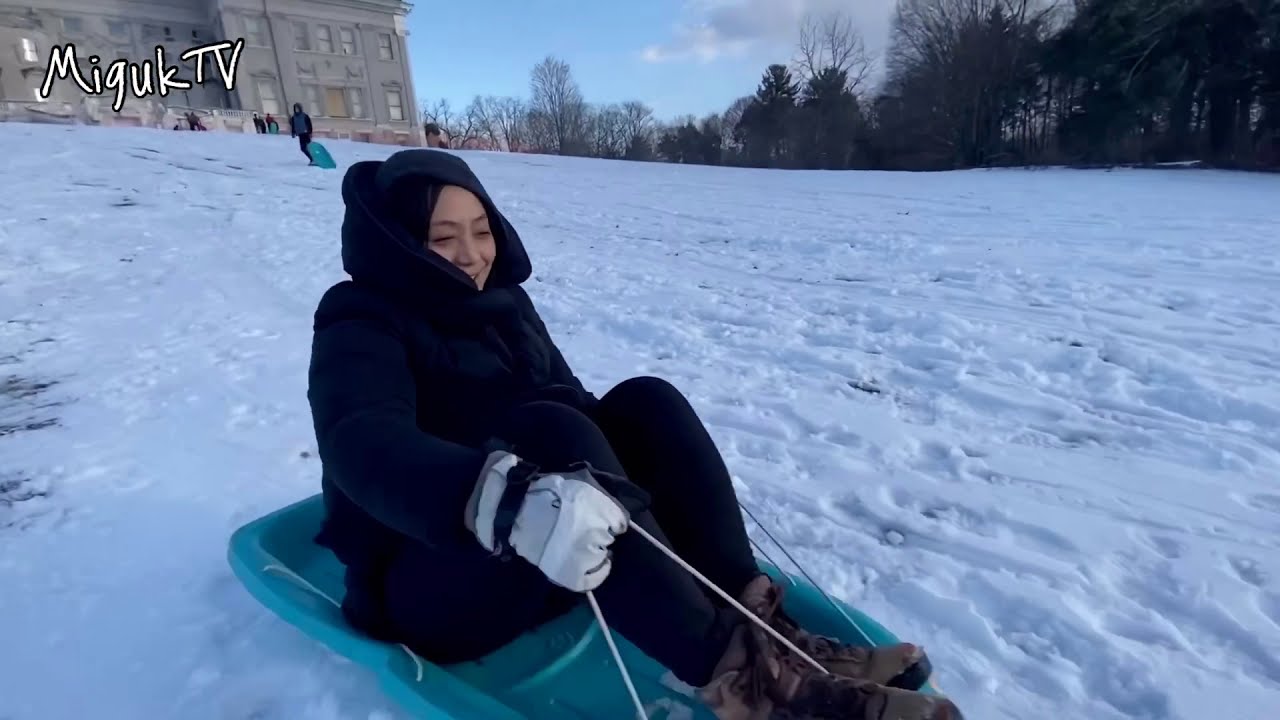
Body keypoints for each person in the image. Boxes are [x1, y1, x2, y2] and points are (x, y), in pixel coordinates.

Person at [307, 149, 963, 720]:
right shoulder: (359, 321)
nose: (472, 254)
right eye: (443, 237)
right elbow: (361, 440)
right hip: (428, 585)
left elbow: (573, 413)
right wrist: (505, 502)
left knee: (644, 402)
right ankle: (751, 689)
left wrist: (631, 460)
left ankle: (769, 634)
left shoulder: (503, 305)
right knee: (547, 429)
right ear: (399, 241)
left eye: (480, 230)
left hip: (548, 563)